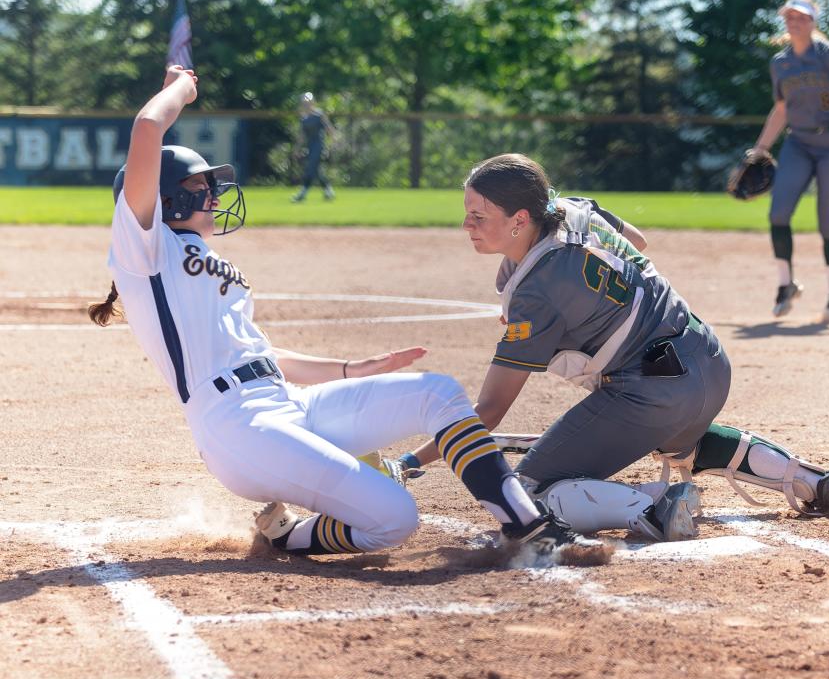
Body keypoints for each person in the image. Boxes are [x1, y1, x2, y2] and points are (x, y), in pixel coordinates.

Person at [88, 67, 590, 559]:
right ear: (166, 199)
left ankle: (526, 526)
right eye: (202, 187)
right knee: (396, 519)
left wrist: (352, 370)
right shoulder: (145, 250)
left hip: (287, 403)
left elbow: (261, 355)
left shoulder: (202, 263)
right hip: (238, 428)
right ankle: (287, 537)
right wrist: (179, 88)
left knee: (437, 392)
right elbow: (148, 128)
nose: (215, 195)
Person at [395, 153, 829, 540]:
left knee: (528, 493)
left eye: (479, 216)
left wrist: (411, 462)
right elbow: (636, 243)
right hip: (709, 361)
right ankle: (809, 480)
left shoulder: (537, 292)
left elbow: (490, 410)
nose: (466, 224)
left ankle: (654, 506)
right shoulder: (569, 207)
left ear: (520, 220)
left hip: (654, 393)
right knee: (682, 442)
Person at [751, 0, 829, 324]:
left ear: (813, 22)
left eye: (801, 17)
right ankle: (784, 286)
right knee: (778, 214)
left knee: (827, 221)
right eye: (789, 17)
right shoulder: (780, 63)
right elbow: (781, 110)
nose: (794, 21)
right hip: (798, 142)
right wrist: (761, 148)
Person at [291, 91, 336, 203]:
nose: (306, 105)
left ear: (313, 103)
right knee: (316, 170)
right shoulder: (304, 118)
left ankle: (303, 192)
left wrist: (333, 142)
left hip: (319, 145)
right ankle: (328, 190)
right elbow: (302, 136)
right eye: (304, 103)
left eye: (308, 103)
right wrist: (297, 149)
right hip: (310, 146)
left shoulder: (319, 115)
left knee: (310, 168)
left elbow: (329, 130)